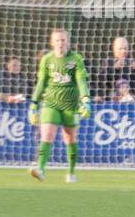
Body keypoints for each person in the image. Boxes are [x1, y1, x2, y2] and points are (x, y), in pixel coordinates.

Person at [26, 29, 90, 183]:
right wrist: (33, 104)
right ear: (52, 42)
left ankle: (71, 172)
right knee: (46, 135)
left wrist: (86, 100)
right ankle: (40, 169)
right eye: (57, 40)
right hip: (50, 103)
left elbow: (81, 81)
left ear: (67, 42)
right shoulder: (47, 59)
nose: (60, 43)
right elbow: (41, 82)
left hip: (70, 104)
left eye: (63, 40)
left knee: (70, 139)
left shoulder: (76, 59)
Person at [98, 37, 135, 102]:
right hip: (112, 96)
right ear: (114, 49)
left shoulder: (133, 62)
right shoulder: (108, 62)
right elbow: (101, 80)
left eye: (125, 48)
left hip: (131, 96)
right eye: (120, 49)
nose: (123, 51)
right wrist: (114, 69)